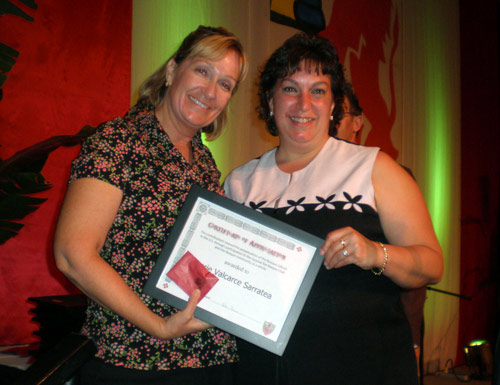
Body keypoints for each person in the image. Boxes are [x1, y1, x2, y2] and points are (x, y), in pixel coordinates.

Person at [224, 33, 443, 385]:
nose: (304, 104)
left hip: (365, 368)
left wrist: (375, 253)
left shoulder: (374, 167)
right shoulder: (239, 183)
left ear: (333, 103)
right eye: (290, 89)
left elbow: (432, 264)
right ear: (270, 100)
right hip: (263, 372)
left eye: (319, 90)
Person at [53, 25, 247, 385]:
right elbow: (72, 253)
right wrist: (158, 326)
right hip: (134, 360)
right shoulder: (117, 142)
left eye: (225, 84)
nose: (210, 91)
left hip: (209, 357)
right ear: (173, 70)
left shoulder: (204, 161)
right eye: (202, 70)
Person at [334, 83, 427, 378]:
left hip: (379, 341)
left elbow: (416, 285)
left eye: (339, 113)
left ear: (357, 123)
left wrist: (412, 341)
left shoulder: (386, 175)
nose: (329, 121)